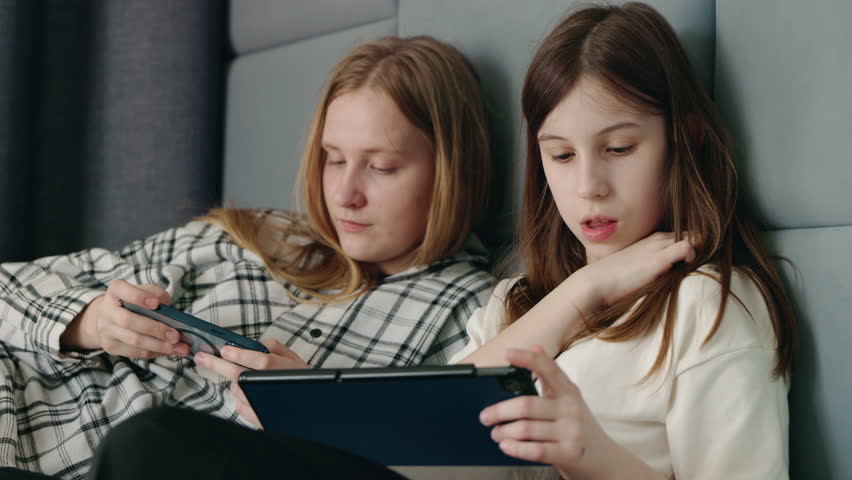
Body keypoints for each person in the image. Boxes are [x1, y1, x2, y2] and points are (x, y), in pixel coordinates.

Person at [48, 3, 796, 479]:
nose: (589, 187)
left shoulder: (711, 309)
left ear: (685, 141)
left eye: (621, 149)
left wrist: (593, 458)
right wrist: (303, 407)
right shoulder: (518, 301)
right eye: (561, 155)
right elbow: (440, 450)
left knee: (152, 449)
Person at [0, 35, 494, 479]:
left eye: (382, 167)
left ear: (451, 170)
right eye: (334, 159)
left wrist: (320, 409)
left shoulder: (473, 315)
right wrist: (87, 322)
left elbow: (446, 456)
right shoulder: (254, 237)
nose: (345, 194)